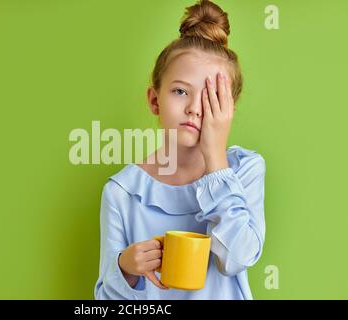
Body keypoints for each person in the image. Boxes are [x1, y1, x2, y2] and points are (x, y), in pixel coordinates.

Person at [94, 0, 266, 300]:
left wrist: (215, 158)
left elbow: (236, 258)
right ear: (154, 100)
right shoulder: (122, 193)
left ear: (229, 111)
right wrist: (124, 269)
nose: (194, 109)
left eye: (211, 96)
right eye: (180, 91)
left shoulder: (245, 170)